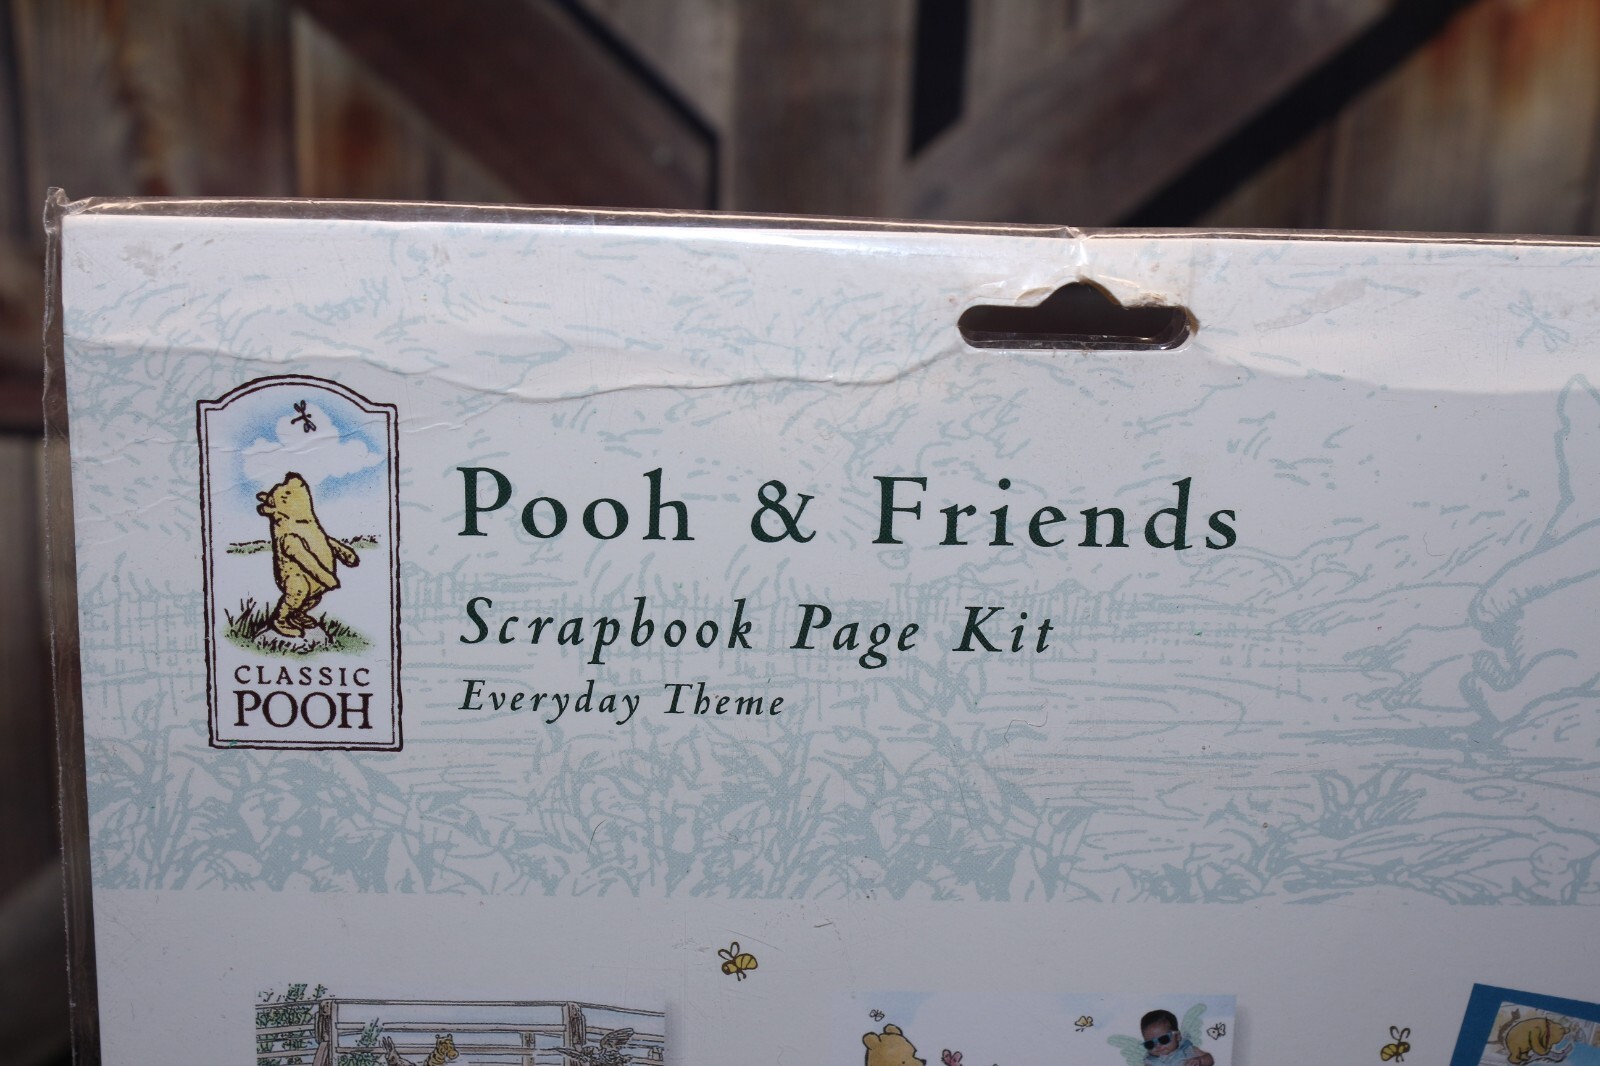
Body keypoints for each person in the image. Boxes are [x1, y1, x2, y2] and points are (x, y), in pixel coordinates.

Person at [1139, 1010, 1213, 1066]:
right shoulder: (1151, 1061)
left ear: (1177, 1036)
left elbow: (1209, 1058)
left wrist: (1200, 1060)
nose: (1158, 1046)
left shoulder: (1186, 1049)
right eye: (1150, 1044)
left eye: (1164, 1039)